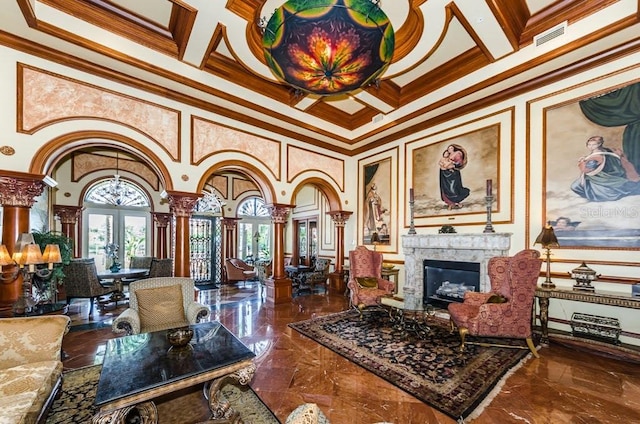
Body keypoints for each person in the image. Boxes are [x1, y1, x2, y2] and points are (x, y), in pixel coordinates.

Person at [570, 136, 640, 202]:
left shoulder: (597, 156)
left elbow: (586, 169)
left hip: (602, 179)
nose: (591, 147)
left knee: (576, 186)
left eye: (593, 145)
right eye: (589, 144)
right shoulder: (607, 151)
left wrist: (582, 162)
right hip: (607, 177)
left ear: (599, 144)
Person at [439, 144, 470, 209]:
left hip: (453, 173)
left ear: (453, 148)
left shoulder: (457, 153)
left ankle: (457, 201)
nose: (449, 149)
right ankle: (451, 203)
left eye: (451, 148)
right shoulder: (447, 155)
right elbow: (441, 163)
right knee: (446, 188)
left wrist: (453, 165)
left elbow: (459, 163)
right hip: (445, 174)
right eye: (448, 148)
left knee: (454, 188)